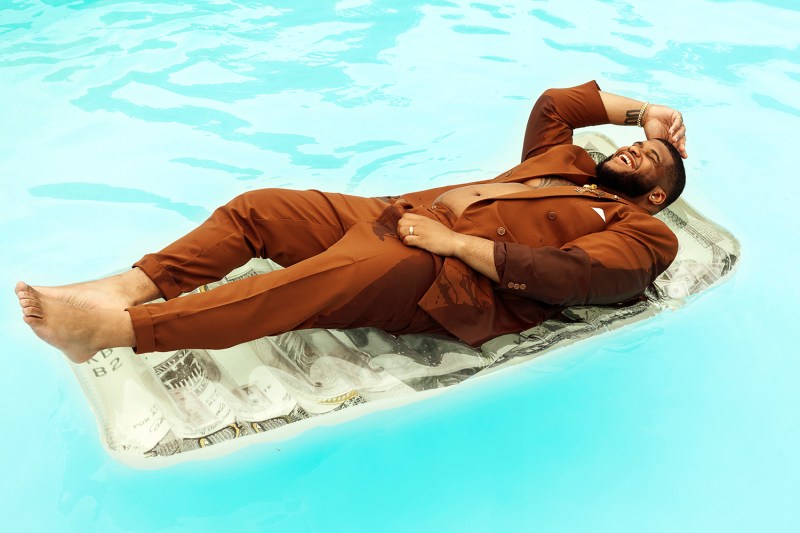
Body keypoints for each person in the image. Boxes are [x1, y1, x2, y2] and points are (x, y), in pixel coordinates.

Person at [16, 80, 687, 364]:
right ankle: (130, 287)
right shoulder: (564, 160)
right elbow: (558, 101)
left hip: (442, 273)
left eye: (650, 157)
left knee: (308, 284)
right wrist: (649, 111)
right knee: (260, 209)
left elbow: (573, 276)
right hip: (393, 214)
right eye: (636, 143)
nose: (633, 150)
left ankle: (119, 329)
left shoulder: (647, 233)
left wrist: (454, 242)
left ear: (656, 195)